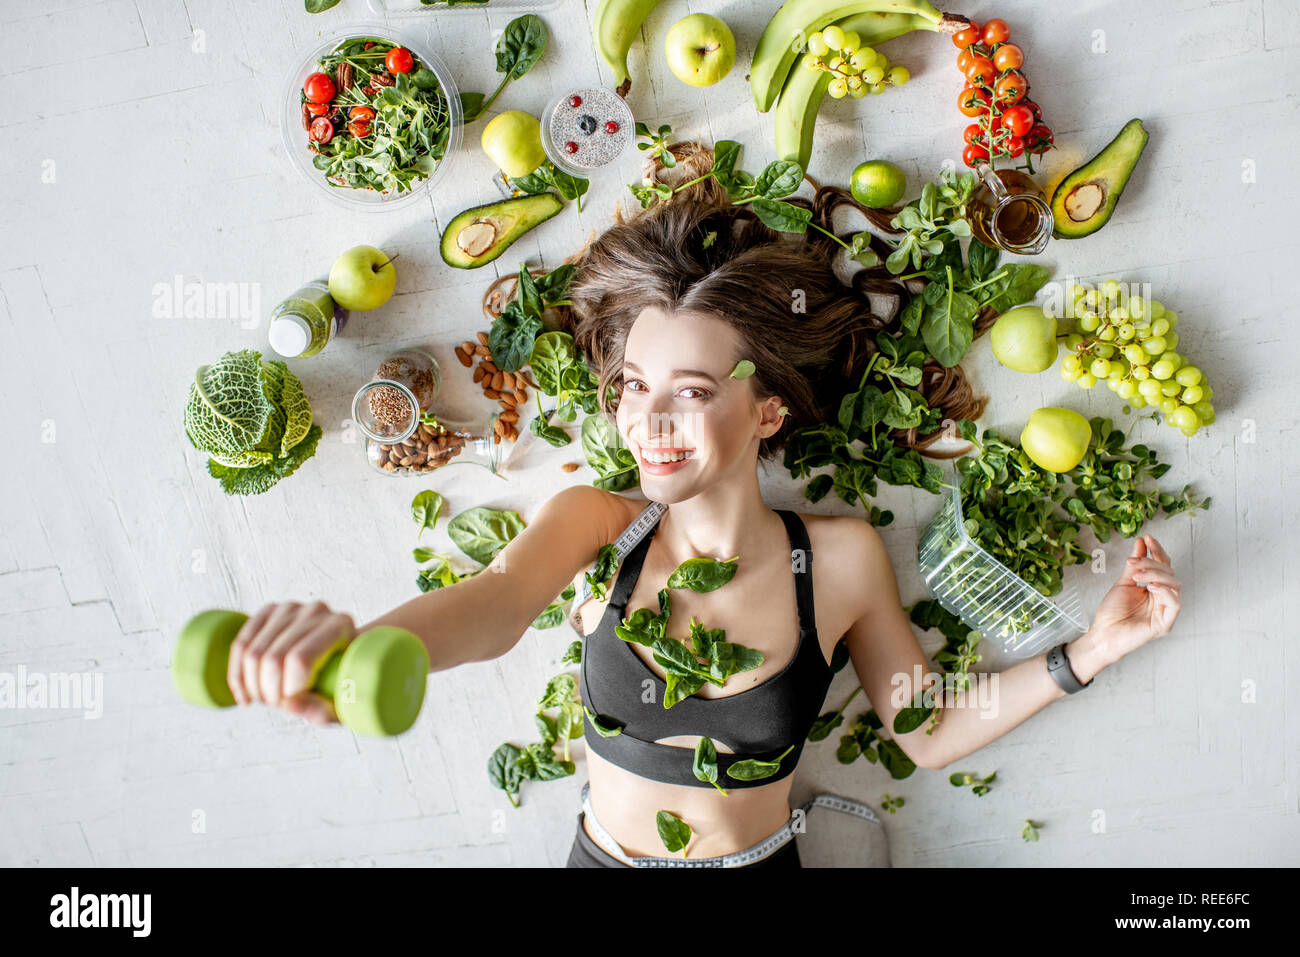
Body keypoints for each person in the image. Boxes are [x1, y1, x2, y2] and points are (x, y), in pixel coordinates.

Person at [222, 162, 1183, 868]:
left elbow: (925, 732)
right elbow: (495, 601)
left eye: (689, 390)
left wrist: (1085, 655)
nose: (647, 418)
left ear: (766, 409)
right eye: (635, 385)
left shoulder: (839, 560)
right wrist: (354, 647)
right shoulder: (599, 525)